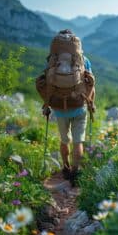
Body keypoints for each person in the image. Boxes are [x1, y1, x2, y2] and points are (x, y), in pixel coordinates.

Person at [38, 29, 95, 186]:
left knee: (65, 140)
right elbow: (90, 82)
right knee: (78, 142)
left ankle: (65, 167)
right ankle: (76, 172)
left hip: (59, 108)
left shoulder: (53, 60)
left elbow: (46, 84)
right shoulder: (83, 60)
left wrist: (46, 103)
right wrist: (91, 103)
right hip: (79, 106)